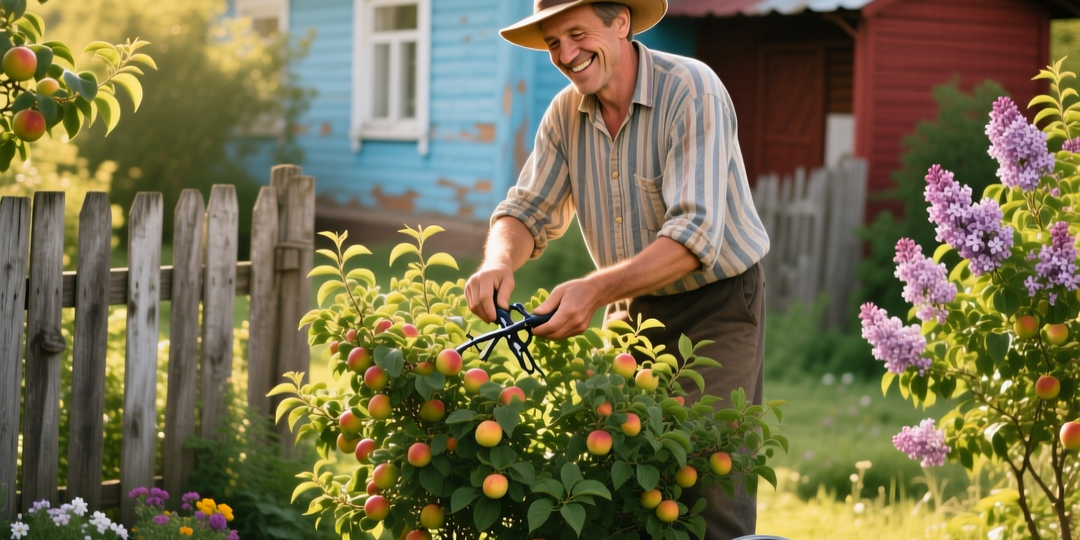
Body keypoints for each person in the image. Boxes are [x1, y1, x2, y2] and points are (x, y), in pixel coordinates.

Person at [464, 1, 769, 538]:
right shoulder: (566, 112)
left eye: (578, 34)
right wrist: (498, 260)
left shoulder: (691, 90)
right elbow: (524, 210)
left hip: (717, 305)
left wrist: (593, 290)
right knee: (623, 476)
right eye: (554, 42)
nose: (566, 54)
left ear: (621, 23)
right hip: (631, 310)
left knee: (706, 476)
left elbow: (694, 238)